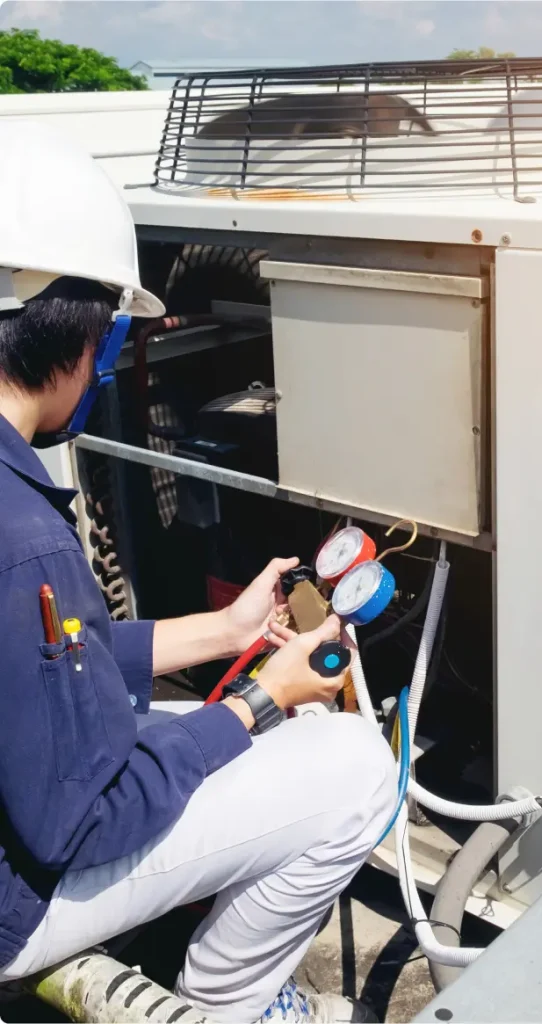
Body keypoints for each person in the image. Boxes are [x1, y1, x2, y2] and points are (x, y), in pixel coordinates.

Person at [0, 120, 395, 1023]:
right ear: (68, 336)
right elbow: (84, 818)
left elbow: (42, 669)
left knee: (185, 728)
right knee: (352, 764)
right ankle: (233, 1003)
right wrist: (260, 702)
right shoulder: (26, 538)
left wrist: (224, 634)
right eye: (106, 340)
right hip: (16, 896)